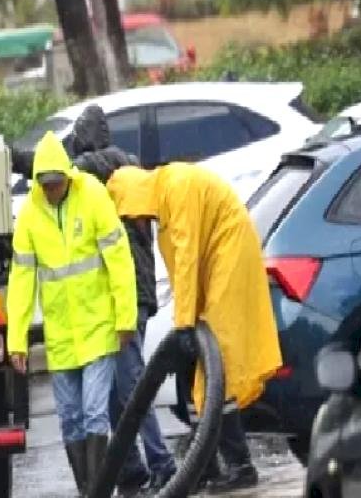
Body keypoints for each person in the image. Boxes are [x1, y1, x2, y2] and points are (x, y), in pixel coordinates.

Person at [106, 163, 282, 493]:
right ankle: (205, 467)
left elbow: (187, 258)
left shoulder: (177, 188)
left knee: (218, 363)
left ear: (134, 199)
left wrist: (185, 324)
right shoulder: (164, 208)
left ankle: (240, 465)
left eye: (130, 216)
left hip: (229, 255)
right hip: (214, 262)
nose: (135, 223)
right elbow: (181, 268)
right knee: (192, 368)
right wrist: (183, 323)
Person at [7, 131, 138, 496]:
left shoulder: (92, 196)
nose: (52, 190)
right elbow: (21, 279)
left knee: (95, 413)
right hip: (62, 337)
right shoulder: (31, 215)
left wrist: (125, 317)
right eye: (46, 185)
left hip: (98, 327)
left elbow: (119, 259)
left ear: (67, 176)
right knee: (70, 421)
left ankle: (98, 493)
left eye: (56, 183)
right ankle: (88, 490)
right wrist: (16, 339)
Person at [68, 106, 177, 495]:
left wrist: (22, 158)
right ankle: (131, 470)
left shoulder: (112, 163)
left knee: (131, 387)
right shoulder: (120, 166)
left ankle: (162, 463)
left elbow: (76, 166)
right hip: (127, 293)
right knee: (118, 389)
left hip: (130, 295)